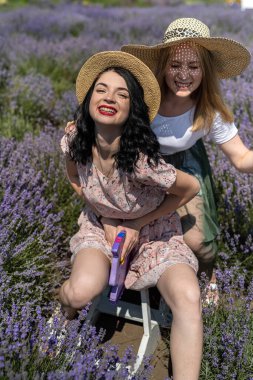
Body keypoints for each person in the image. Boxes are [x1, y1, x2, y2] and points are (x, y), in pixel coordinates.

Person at [60, 50, 202, 379]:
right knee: (80, 291)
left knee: (188, 294)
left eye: (122, 94)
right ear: (89, 99)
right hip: (101, 225)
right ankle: (65, 310)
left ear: (131, 109)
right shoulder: (75, 139)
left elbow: (190, 188)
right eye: (102, 89)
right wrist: (108, 218)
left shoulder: (141, 160)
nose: (110, 97)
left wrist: (136, 223)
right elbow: (73, 177)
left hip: (154, 231)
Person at [121, 17, 252, 302]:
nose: (184, 74)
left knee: (198, 242)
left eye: (193, 66)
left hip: (187, 168)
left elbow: (241, 158)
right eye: (175, 65)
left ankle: (208, 274)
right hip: (141, 167)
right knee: (131, 235)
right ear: (163, 66)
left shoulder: (208, 108)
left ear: (205, 71)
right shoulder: (144, 98)